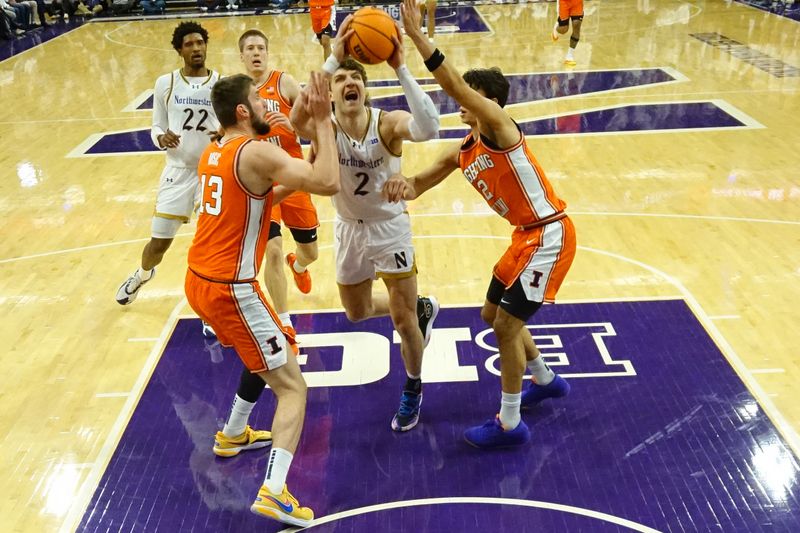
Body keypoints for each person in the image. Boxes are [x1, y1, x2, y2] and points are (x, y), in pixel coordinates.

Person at [393, 0, 576, 449]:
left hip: (548, 235)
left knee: (505, 328)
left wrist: (417, 37)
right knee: (492, 315)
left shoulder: (499, 126)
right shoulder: (468, 147)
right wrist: (395, 189)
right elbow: (421, 181)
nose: (460, 102)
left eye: (470, 96)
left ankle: (510, 423)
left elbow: (452, 83)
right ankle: (545, 379)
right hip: (525, 238)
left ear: (487, 102)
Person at [185, 72, 339, 527]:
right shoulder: (254, 151)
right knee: (292, 386)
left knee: (263, 352)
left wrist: (301, 156)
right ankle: (274, 491)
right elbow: (328, 182)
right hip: (232, 288)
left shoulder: (217, 149)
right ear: (241, 112)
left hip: (198, 282)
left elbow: (263, 194)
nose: (265, 103)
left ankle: (232, 434)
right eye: (257, 99)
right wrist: (325, 123)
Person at [291, 17, 440, 433]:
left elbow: (430, 127)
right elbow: (293, 118)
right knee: (355, 312)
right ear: (332, 92)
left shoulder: (386, 123)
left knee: (402, 320)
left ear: (365, 89)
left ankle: (412, 386)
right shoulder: (325, 127)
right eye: (340, 80)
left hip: (389, 227)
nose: (349, 82)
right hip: (348, 229)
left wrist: (400, 67)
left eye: (356, 77)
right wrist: (333, 57)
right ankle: (420, 306)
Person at [115, 22, 220, 339]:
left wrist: (225, 134)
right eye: (189, 44)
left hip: (211, 174)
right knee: (159, 243)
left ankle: (207, 310)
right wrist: (161, 137)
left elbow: (234, 124)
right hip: (176, 172)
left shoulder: (222, 84)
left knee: (207, 248)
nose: (196, 48)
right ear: (179, 50)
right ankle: (143, 274)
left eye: (200, 42)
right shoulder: (166, 83)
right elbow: (155, 126)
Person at [238, 29, 320, 336]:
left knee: (310, 252)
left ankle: (297, 266)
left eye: (261, 47)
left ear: (267, 53)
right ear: (242, 56)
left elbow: (317, 129)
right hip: (261, 182)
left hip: (293, 174)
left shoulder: (284, 83)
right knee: (271, 249)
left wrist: (295, 124)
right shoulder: (238, 92)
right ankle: (285, 323)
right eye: (250, 48)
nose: (256, 53)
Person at [551, 0, 583, 65]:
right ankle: (556, 27)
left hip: (577, 2)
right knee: (563, 30)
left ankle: (569, 56)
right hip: (564, 2)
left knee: (577, 25)